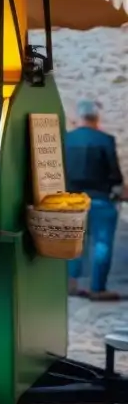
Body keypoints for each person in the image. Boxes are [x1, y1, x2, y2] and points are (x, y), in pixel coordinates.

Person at [66, 100, 124, 301]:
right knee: (102, 243)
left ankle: (71, 283)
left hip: (72, 200)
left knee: (74, 242)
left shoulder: (66, 139)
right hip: (100, 198)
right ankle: (98, 289)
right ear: (97, 117)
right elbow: (115, 175)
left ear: (78, 117)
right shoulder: (105, 140)